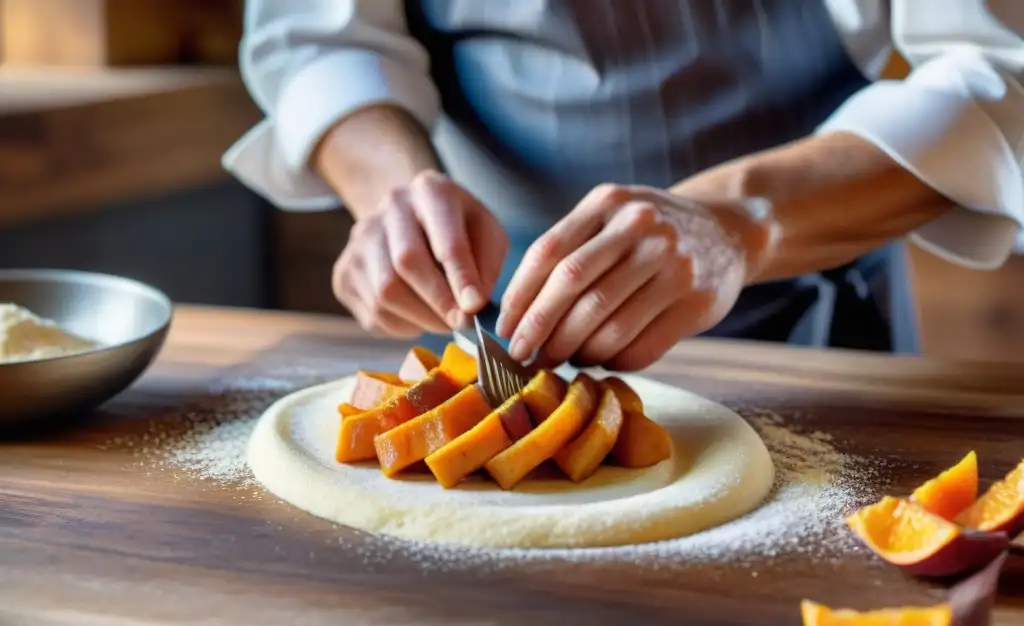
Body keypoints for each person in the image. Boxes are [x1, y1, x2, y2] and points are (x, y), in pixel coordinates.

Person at [224, 1, 1023, 371]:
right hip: (501, 341)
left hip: (825, 339)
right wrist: (392, 193)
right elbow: (316, 40)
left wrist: (738, 221)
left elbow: (1001, 67)